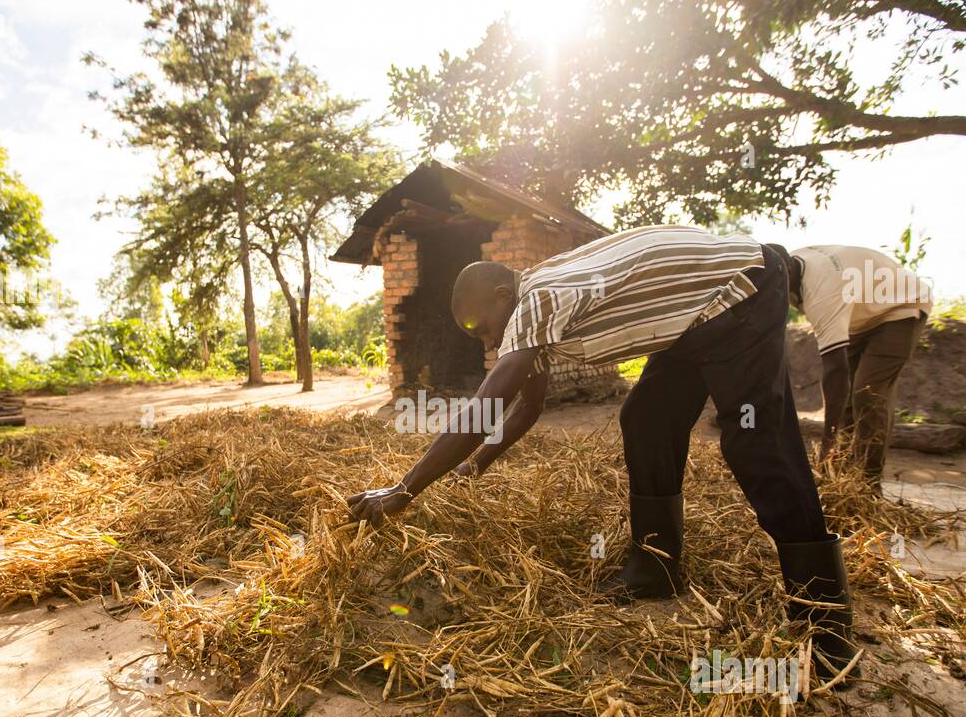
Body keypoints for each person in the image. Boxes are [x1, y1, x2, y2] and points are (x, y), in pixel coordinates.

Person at [348, 226, 857, 680]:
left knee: (755, 440)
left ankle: (825, 621)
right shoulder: (535, 302)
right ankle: (657, 567)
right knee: (647, 419)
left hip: (738, 290)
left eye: (482, 327)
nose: (485, 341)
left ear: (504, 295)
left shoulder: (537, 301)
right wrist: (474, 465)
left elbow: (488, 406)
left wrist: (404, 490)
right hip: (692, 320)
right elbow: (529, 405)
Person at [779, 244, 933, 486]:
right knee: (847, 401)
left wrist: (827, 441)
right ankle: (841, 479)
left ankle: (868, 485)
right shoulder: (787, 267)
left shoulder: (821, 292)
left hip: (899, 306)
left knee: (868, 393)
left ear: (787, 275)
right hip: (860, 312)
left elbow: (835, 370)